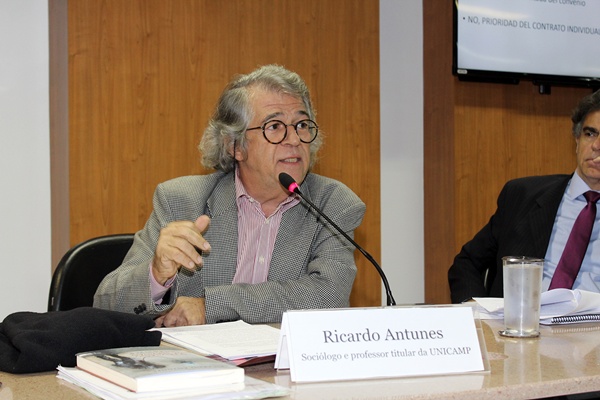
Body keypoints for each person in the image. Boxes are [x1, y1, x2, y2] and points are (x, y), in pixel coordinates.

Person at [93, 65, 366, 326]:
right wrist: (156, 275)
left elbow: (327, 296)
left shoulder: (333, 205)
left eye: (302, 125)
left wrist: (211, 306)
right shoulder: (181, 201)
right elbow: (105, 304)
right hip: (196, 359)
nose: (294, 140)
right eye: (274, 126)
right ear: (235, 146)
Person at [448, 89, 600, 303]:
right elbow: (467, 263)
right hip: (522, 319)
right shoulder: (522, 196)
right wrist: (476, 311)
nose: (596, 146)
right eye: (590, 134)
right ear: (576, 139)